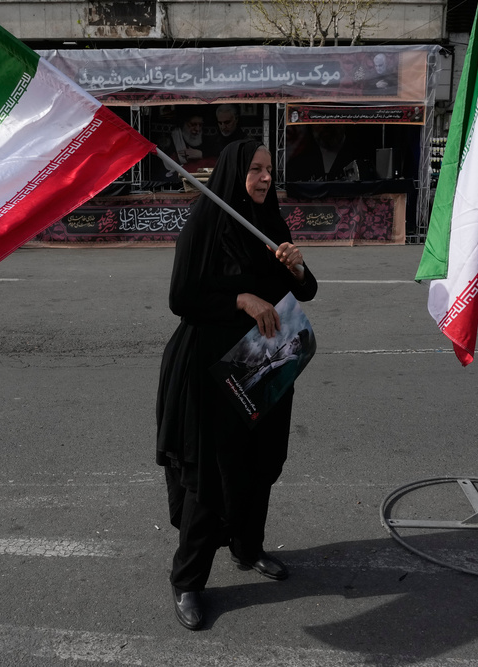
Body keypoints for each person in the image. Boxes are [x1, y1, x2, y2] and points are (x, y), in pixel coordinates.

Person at [155, 140, 318, 631]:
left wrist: (298, 267)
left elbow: (306, 290)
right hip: (211, 369)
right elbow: (182, 296)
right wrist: (242, 298)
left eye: (269, 169)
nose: (265, 178)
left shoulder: (269, 220)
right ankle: (188, 581)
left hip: (265, 363)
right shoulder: (208, 219)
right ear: (232, 171)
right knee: (213, 477)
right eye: (254, 169)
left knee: (259, 464)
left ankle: (248, 549)